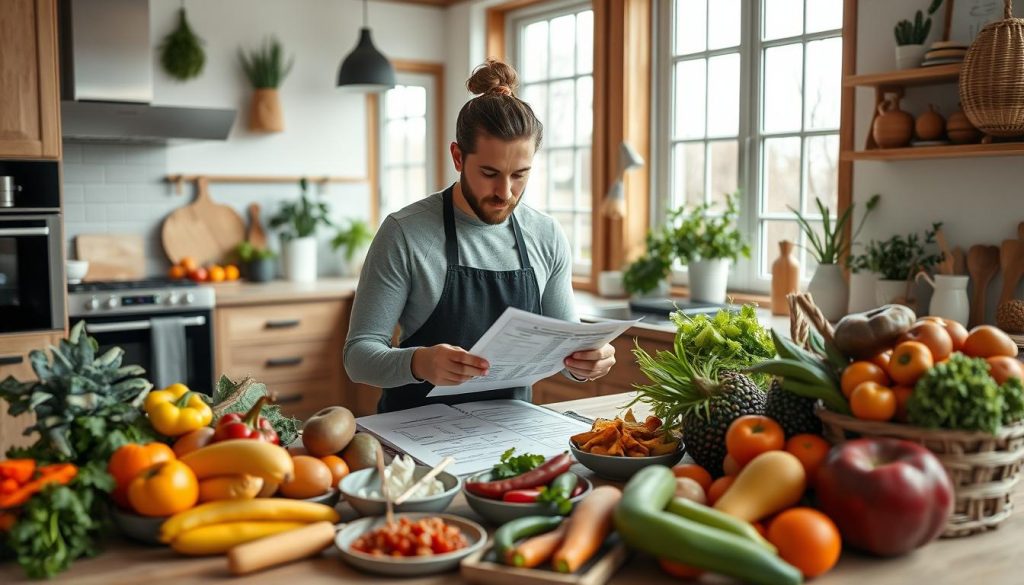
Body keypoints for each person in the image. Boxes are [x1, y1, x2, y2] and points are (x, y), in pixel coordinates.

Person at [344, 59, 616, 413]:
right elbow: (358, 356)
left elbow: (566, 351)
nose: (505, 192)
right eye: (489, 173)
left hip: (512, 434)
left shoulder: (546, 235)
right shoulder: (405, 233)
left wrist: (587, 363)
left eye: (520, 174)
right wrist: (419, 363)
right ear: (458, 157)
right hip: (413, 434)